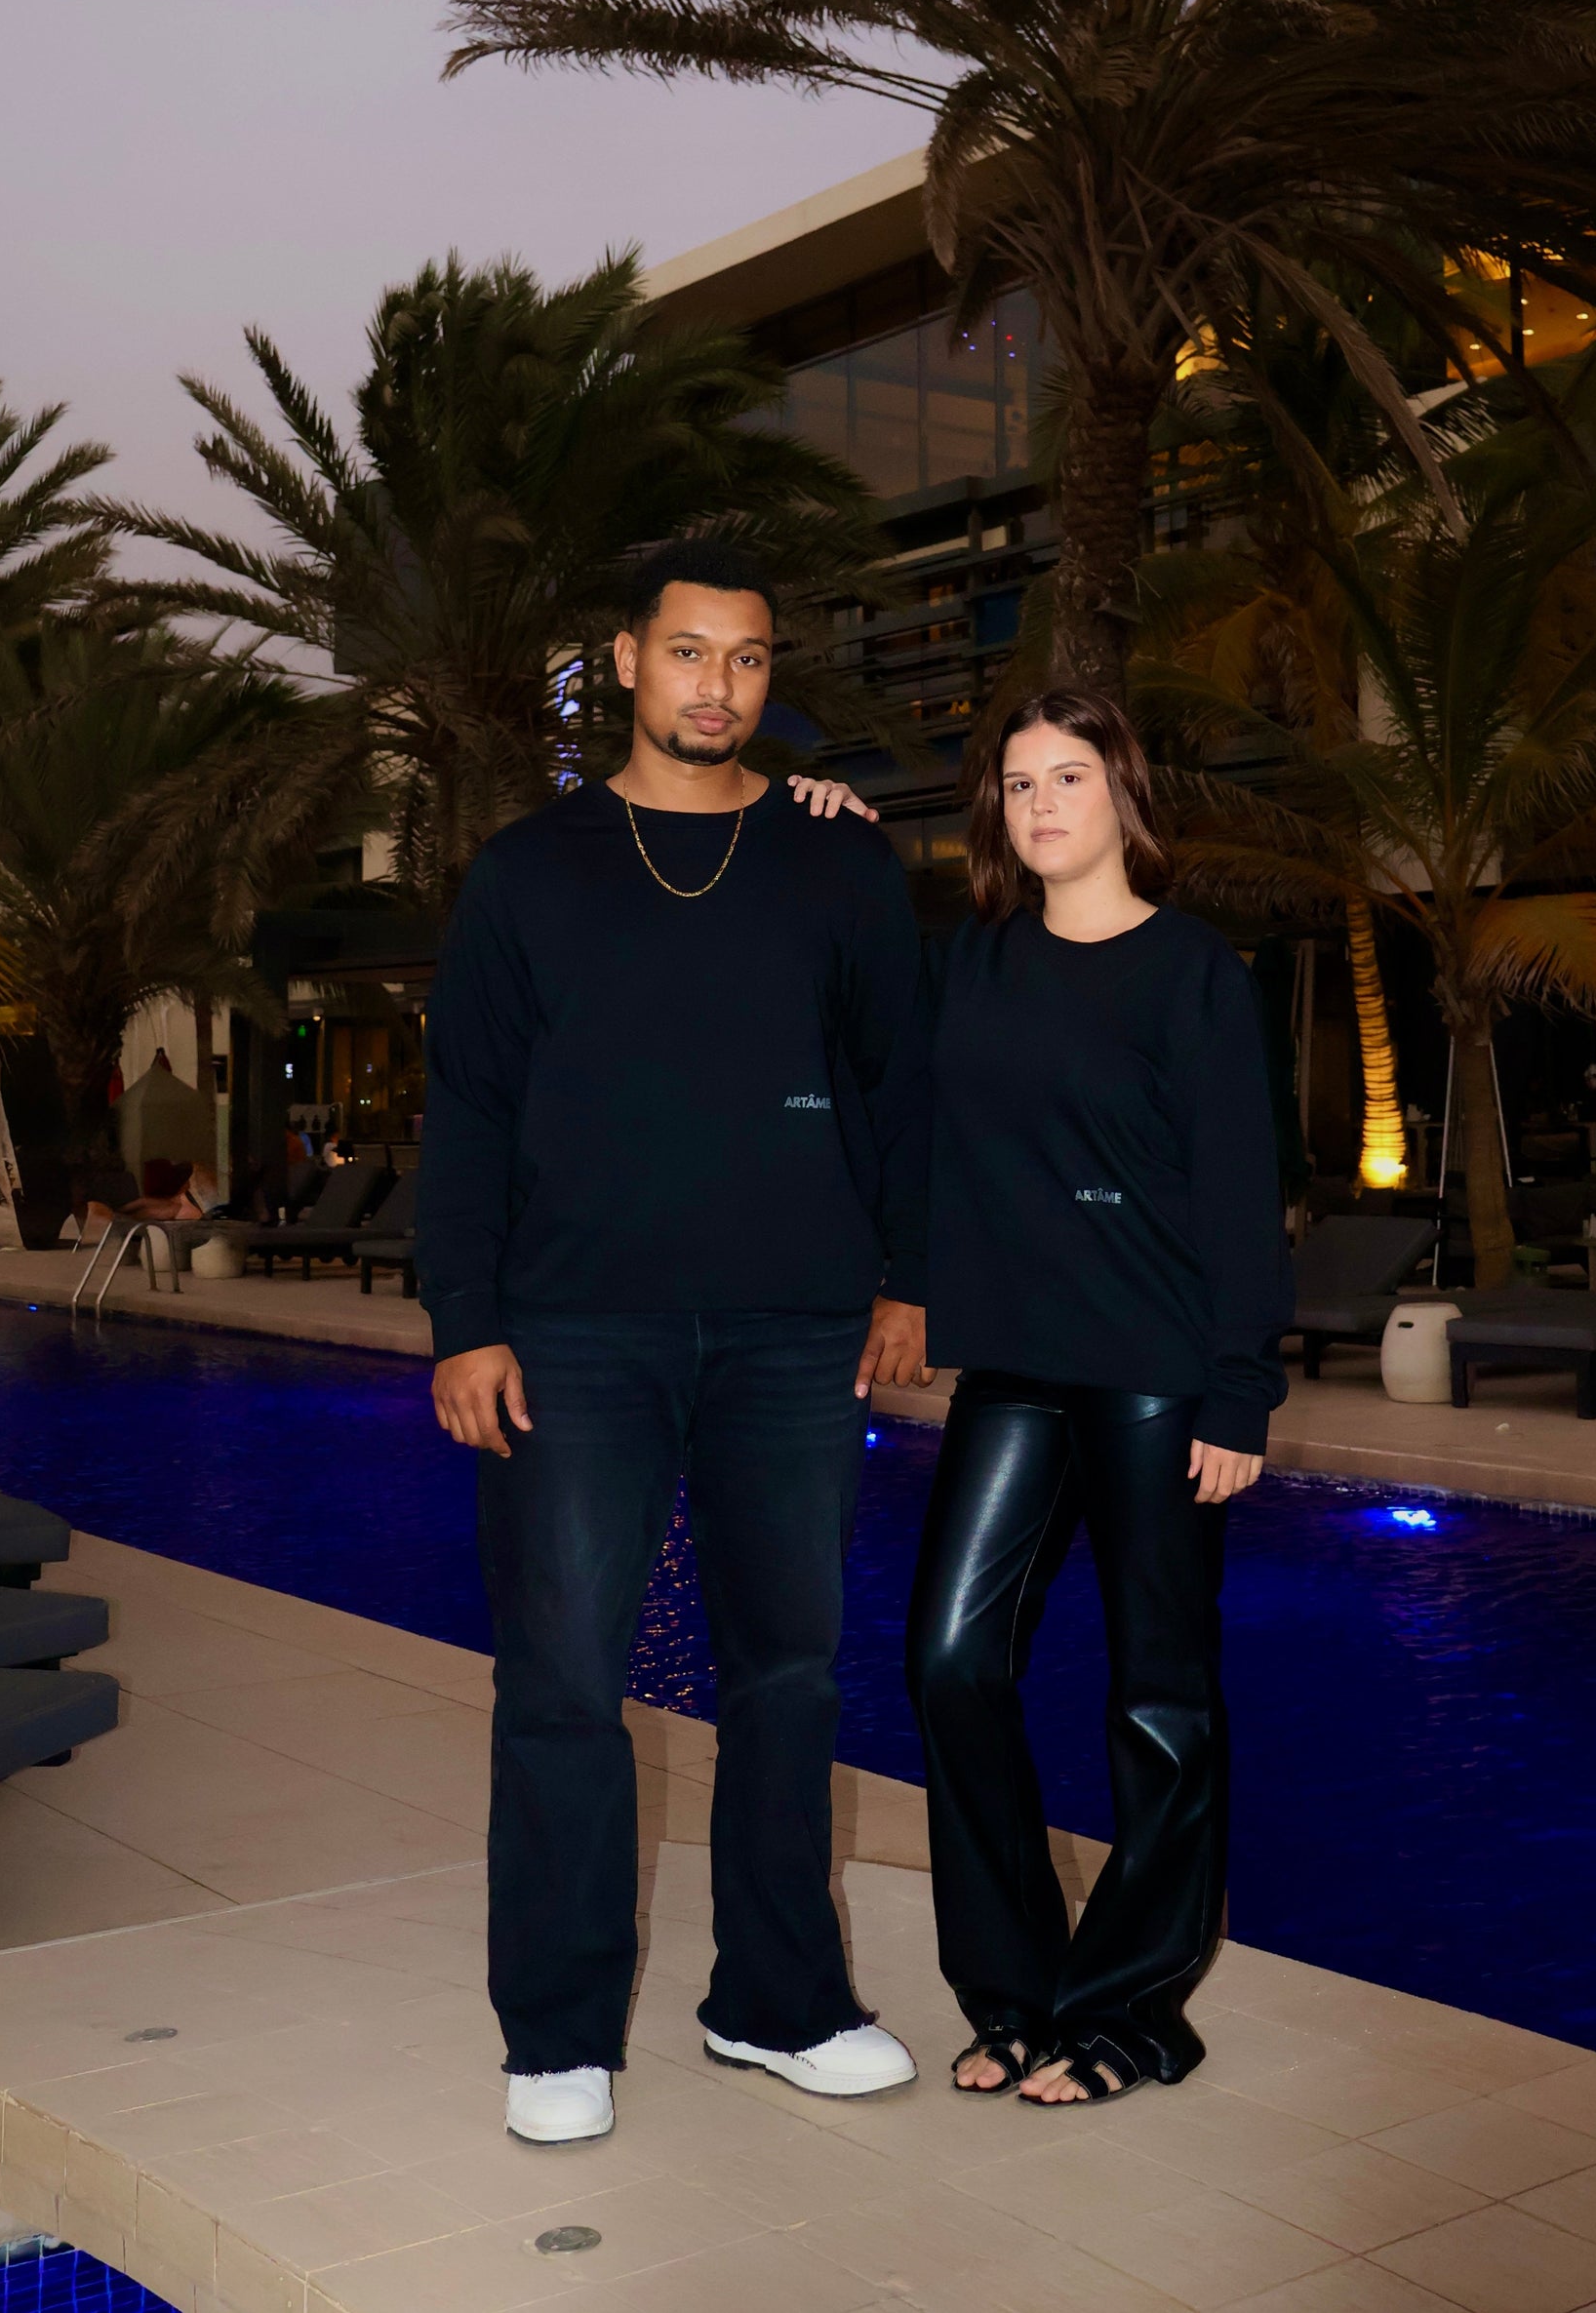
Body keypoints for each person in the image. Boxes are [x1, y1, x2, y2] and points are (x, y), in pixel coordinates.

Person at [418, 538, 934, 2149]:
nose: (720, 685)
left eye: (749, 657)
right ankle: (557, 2030)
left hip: (793, 1329)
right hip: (575, 1330)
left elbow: (898, 1083)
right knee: (563, 1680)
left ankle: (776, 2002)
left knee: (786, 1674)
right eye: (692, 652)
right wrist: (464, 1323)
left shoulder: (837, 860)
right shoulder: (527, 870)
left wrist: (908, 1277)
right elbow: (469, 1109)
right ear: (628, 660)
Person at [907, 688, 1290, 2108]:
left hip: (1155, 1372)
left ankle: (1130, 2010)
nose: (1040, 804)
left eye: (1067, 776)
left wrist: (1238, 1391)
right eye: (1017, 784)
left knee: (1160, 1695)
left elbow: (1240, 1192)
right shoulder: (972, 962)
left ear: (1122, 793)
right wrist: (812, 815)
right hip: (1014, 1366)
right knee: (949, 1659)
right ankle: (1013, 1991)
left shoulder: (1192, 972)